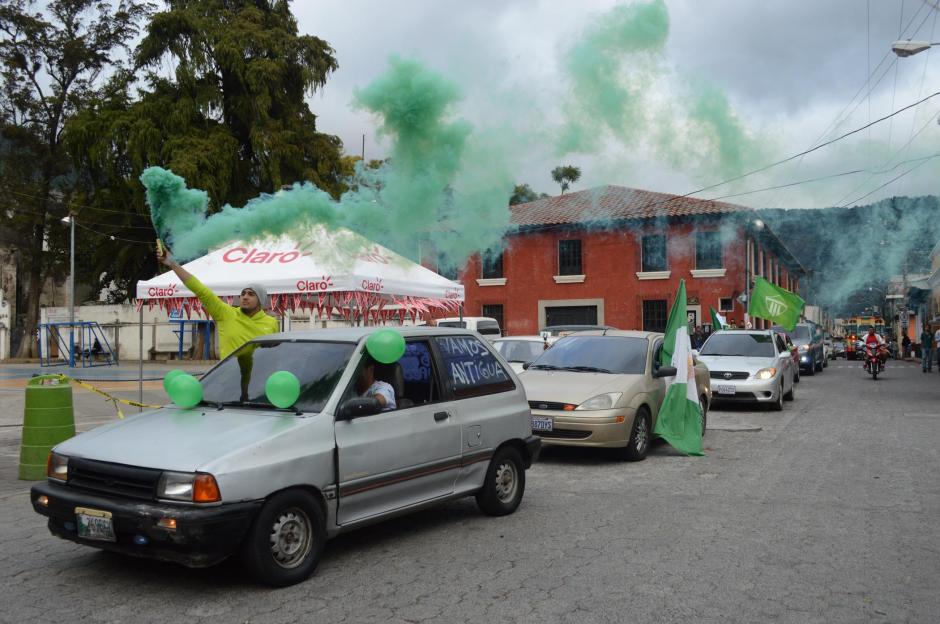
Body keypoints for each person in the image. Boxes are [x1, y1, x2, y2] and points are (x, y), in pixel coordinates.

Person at [158, 246, 279, 398]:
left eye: (251, 294)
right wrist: (172, 264)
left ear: (260, 300)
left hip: (260, 386)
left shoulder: (271, 322)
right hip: (229, 386)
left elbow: (274, 355)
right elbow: (200, 290)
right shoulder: (226, 313)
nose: (245, 297)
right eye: (242, 294)